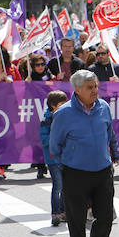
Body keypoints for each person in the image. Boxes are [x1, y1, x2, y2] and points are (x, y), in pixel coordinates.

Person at [50, 70, 119, 237]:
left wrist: (115, 153)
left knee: (106, 217)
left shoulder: (103, 107)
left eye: (96, 86)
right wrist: (67, 166)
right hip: (75, 173)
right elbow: (55, 145)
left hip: (102, 171)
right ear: (77, 89)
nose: (95, 90)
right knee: (77, 224)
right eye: (90, 87)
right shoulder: (63, 113)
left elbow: (110, 134)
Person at [39, 90, 68, 226]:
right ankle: (55, 213)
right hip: (52, 158)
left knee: (66, 185)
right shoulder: (47, 119)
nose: (64, 106)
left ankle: (63, 212)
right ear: (52, 105)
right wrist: (57, 138)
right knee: (58, 185)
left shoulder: (66, 117)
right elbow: (44, 139)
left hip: (66, 157)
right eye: (61, 104)